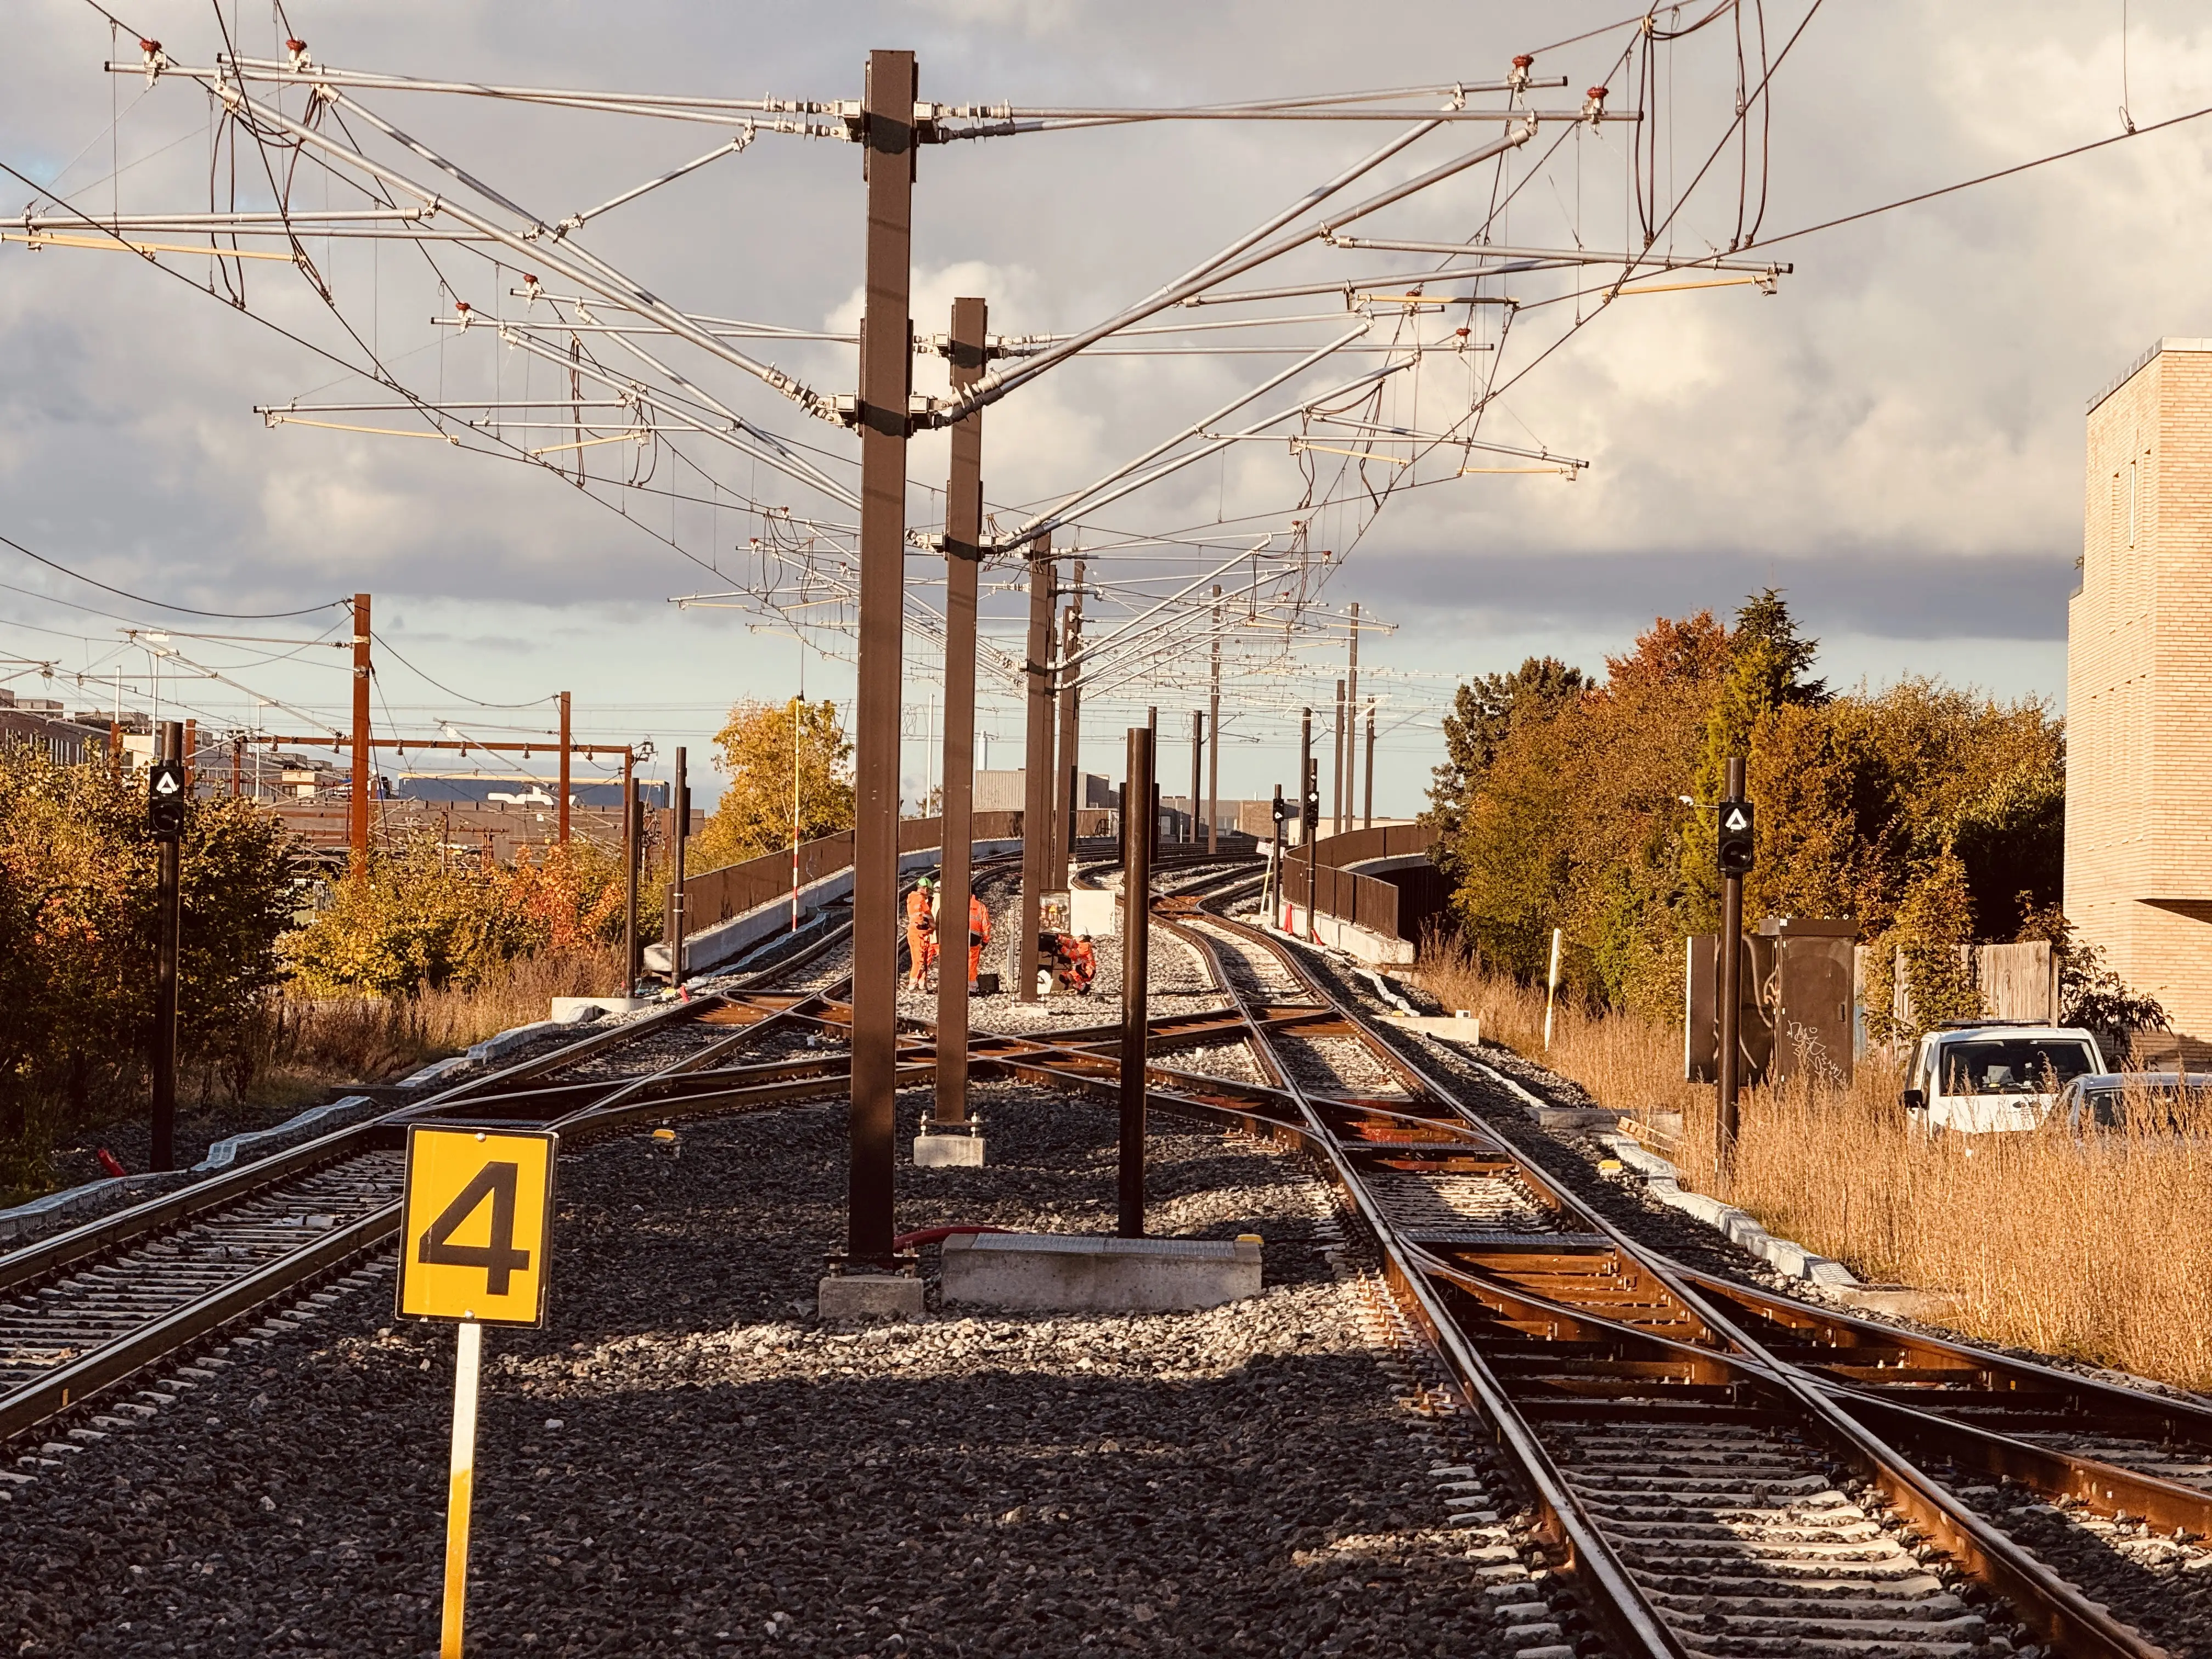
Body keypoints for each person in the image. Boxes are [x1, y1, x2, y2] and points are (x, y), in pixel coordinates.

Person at [906, 875, 938, 989]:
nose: (929, 893)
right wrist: (932, 925)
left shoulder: (914, 898)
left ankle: (920, 983)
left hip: (919, 931)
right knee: (919, 959)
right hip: (919, 931)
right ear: (924, 888)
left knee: (921, 958)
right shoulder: (919, 899)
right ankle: (914, 984)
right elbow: (926, 916)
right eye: (928, 890)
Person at [1052, 931, 1097, 995]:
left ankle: (1057, 940)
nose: (1079, 985)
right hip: (1085, 951)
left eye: (1079, 988)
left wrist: (1069, 980)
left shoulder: (1076, 979)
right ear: (1086, 984)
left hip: (1078, 956)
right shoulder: (1089, 975)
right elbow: (1085, 964)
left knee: (1070, 949)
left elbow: (1067, 974)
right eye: (1082, 986)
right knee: (1073, 950)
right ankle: (1058, 939)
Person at [966, 890, 992, 991]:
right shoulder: (980, 906)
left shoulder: (959, 903)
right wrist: (986, 941)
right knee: (972, 961)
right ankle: (972, 986)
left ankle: (958, 983)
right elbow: (985, 925)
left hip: (960, 937)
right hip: (974, 938)